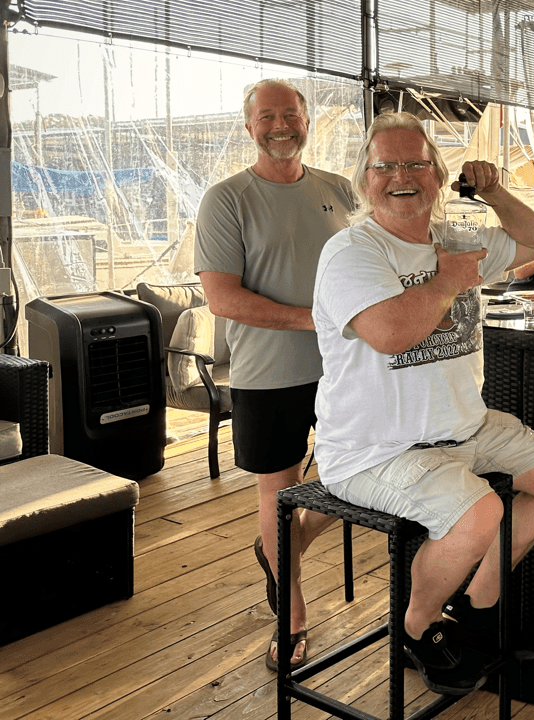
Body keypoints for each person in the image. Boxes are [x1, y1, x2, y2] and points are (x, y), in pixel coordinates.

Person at [311, 112, 534, 695]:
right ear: (364, 180)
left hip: (463, 427)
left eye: (416, 163)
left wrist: (494, 190)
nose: (400, 175)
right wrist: (446, 283)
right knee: (480, 514)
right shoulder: (351, 251)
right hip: (374, 449)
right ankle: (418, 626)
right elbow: (387, 333)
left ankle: (478, 610)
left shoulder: (455, 238)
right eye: (385, 165)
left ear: (436, 176)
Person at [194, 79, 356, 671]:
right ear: (249, 126)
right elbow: (222, 298)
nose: (280, 125)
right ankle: (291, 618)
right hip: (268, 375)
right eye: (268, 115)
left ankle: (285, 543)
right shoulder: (226, 198)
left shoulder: (340, 190)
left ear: (308, 121)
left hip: (346, 369)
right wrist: (312, 320)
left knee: (361, 473)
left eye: (291, 113)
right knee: (279, 492)